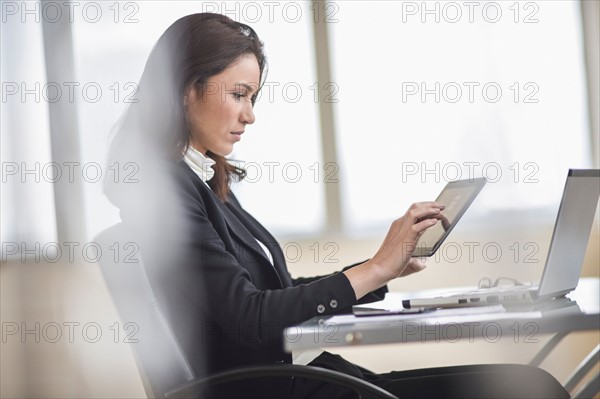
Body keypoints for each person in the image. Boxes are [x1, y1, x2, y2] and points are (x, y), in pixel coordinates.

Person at [105, 13, 570, 399]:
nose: (250, 114)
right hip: (287, 387)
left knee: (530, 386)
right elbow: (249, 319)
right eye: (239, 95)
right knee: (529, 389)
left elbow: (273, 294)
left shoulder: (200, 178)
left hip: (306, 379)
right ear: (186, 89)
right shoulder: (164, 188)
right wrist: (374, 270)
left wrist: (379, 269)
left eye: (254, 98)